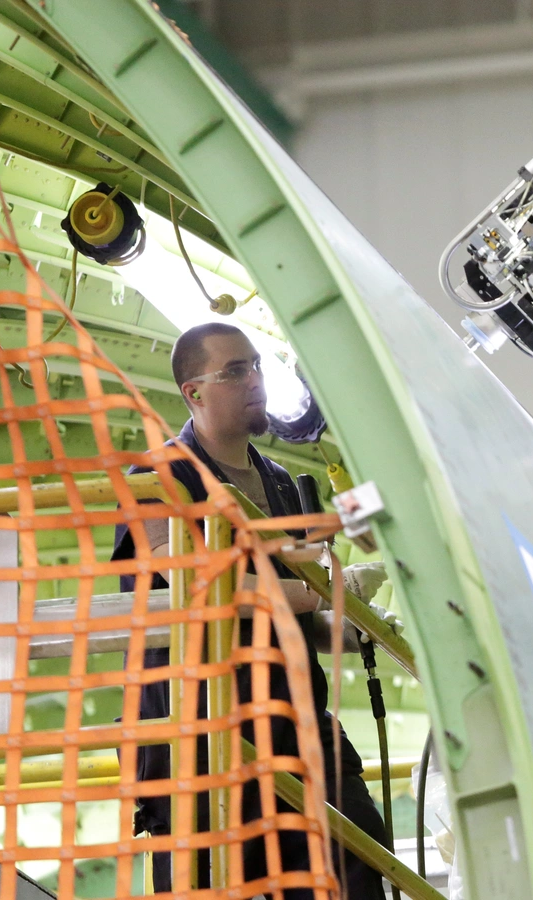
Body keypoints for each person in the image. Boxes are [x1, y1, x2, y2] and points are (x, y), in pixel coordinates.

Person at [111, 322, 389, 899]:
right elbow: (193, 583)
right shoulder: (159, 477)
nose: (256, 380)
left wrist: (356, 624)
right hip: (203, 735)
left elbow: (285, 612)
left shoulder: (280, 483)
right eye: (235, 370)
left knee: (362, 864)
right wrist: (322, 591)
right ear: (194, 392)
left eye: (257, 364)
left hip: (296, 720)